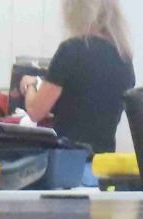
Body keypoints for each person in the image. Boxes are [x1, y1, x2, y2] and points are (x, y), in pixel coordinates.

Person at [19, 0, 135, 154]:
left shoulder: (71, 50)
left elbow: (35, 111)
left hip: (68, 159)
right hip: (103, 160)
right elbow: (91, 105)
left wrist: (31, 85)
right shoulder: (124, 59)